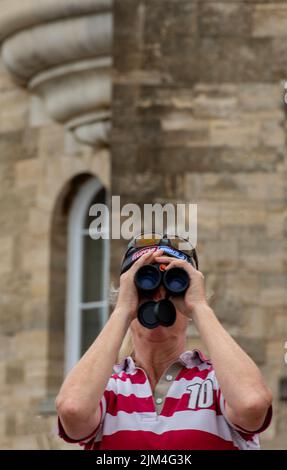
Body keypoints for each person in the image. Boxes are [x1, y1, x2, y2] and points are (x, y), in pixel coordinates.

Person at [56, 234, 273, 450]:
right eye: (144, 289)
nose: (158, 296)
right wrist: (123, 310)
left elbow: (252, 404)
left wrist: (199, 306)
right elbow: (73, 410)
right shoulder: (108, 387)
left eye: (172, 285)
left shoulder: (219, 384)